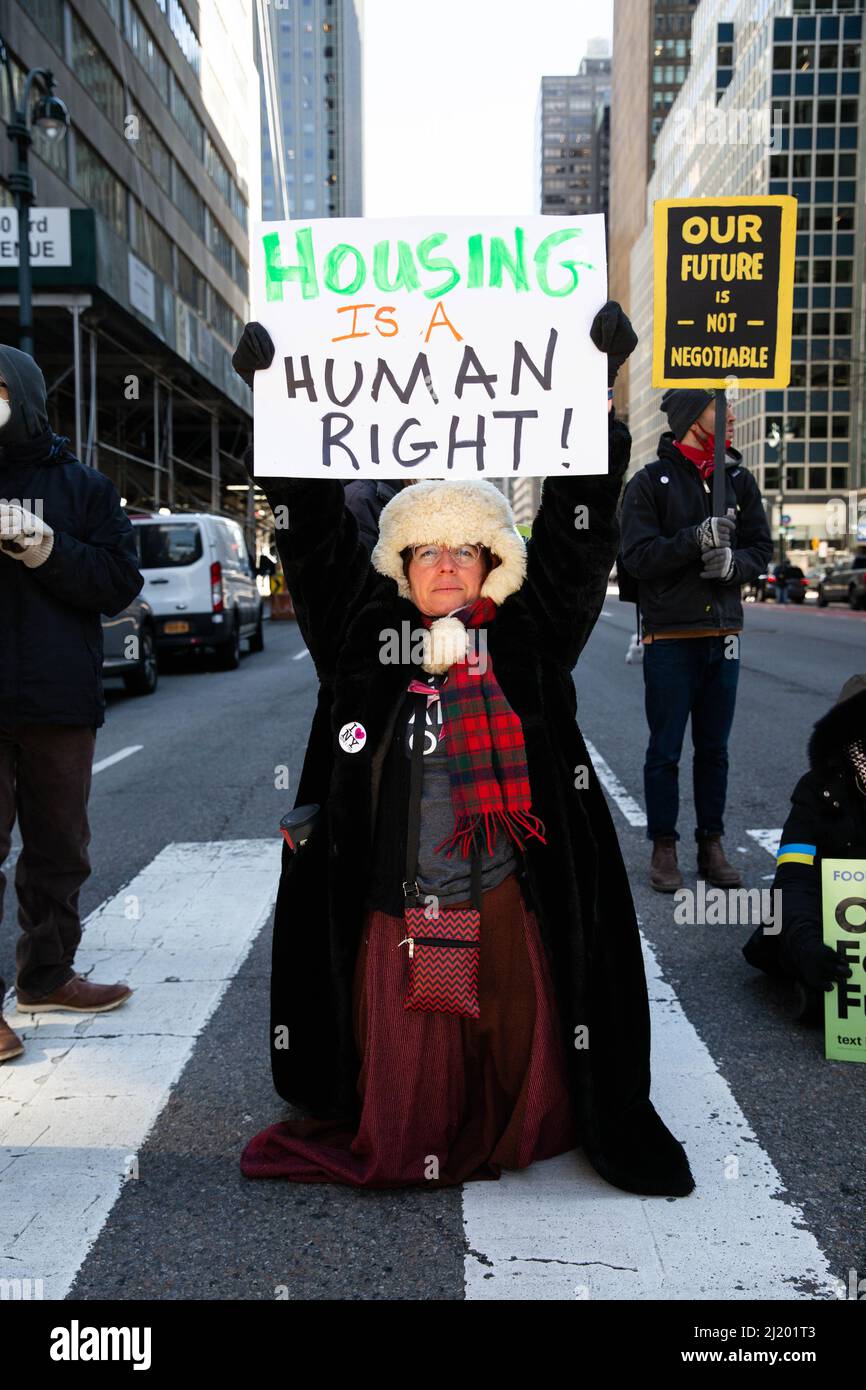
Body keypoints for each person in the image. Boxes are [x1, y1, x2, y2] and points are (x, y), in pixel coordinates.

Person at [229, 305, 695, 1198]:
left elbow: (576, 535)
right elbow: (315, 535)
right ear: (402, 565)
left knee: (517, 1085)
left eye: (465, 551)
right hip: (393, 907)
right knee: (412, 1105)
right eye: (426, 551)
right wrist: (275, 403)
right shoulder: (358, 637)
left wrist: (597, 395)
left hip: (511, 901)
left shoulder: (530, 638)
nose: (446, 566)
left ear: (491, 563)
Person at [0, 344, 141, 1063]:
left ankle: (48, 975)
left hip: (58, 699)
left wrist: (46, 549)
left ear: (23, 395)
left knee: (60, 850)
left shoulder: (83, 486)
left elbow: (119, 582)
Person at [619, 389, 773, 893]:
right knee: (664, 749)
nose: (731, 413)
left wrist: (735, 566)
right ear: (692, 417)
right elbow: (637, 560)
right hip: (669, 635)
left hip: (723, 634)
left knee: (715, 750)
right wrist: (696, 540)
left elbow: (760, 549)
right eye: (718, 406)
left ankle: (712, 844)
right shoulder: (648, 483)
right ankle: (665, 846)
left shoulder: (739, 480)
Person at [742, 675, 864, 1022]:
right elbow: (793, 881)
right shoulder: (816, 791)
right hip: (830, 920)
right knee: (789, 934)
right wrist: (807, 947)